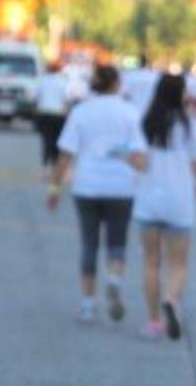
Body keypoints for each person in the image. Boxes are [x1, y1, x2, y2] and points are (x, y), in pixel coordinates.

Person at [47, 64, 148, 322]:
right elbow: (139, 156)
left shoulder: (81, 112)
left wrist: (55, 187)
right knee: (117, 241)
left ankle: (87, 305)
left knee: (89, 243)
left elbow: (65, 154)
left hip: (87, 186)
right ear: (116, 84)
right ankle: (114, 279)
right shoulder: (129, 112)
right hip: (121, 187)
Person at [133, 73, 196, 341]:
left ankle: (154, 321)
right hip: (179, 202)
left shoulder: (144, 123)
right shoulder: (190, 126)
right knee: (178, 264)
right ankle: (171, 299)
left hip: (148, 202)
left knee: (151, 262)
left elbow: (138, 161)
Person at [34, 62, 71, 171]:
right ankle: (55, 162)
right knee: (57, 139)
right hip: (58, 114)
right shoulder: (63, 82)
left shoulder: (42, 81)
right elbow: (67, 98)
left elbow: (36, 97)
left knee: (46, 138)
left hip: (44, 113)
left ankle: (45, 161)